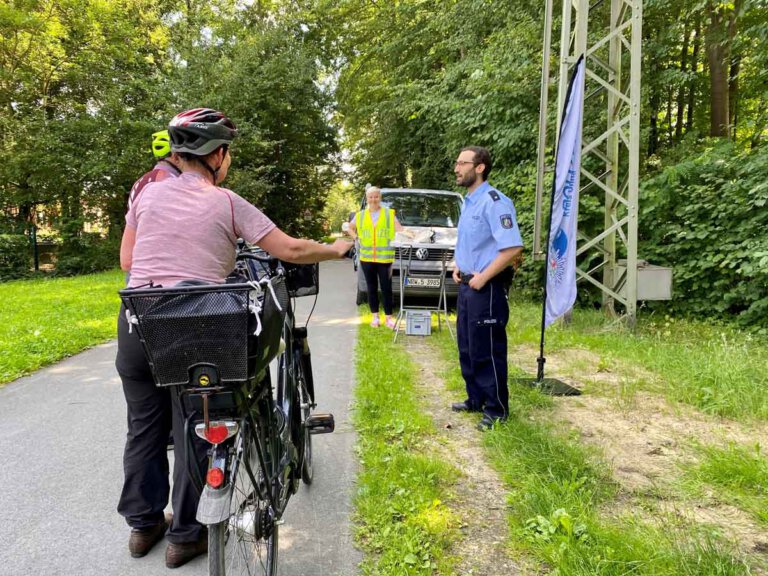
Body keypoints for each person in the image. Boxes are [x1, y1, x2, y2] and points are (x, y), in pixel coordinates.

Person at [116, 108, 351, 568]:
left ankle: (143, 527)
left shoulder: (146, 196)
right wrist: (337, 248)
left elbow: (128, 257)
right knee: (196, 426)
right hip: (193, 329)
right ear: (217, 155)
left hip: (137, 324)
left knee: (143, 427)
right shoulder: (224, 201)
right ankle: (185, 536)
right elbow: (290, 249)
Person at [451, 146, 523, 431]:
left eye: (462, 163)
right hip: (467, 285)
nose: (457, 168)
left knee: (487, 350)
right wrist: (459, 264)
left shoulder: (495, 202)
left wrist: (483, 277)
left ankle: (497, 409)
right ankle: (476, 399)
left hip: (487, 287)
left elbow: (512, 247)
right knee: (467, 347)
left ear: (479, 167)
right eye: (456, 163)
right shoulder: (469, 202)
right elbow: (473, 242)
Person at [347, 186, 403, 328]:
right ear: (367, 199)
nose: (373, 199)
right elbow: (349, 227)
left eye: (376, 196)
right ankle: (375, 317)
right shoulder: (360, 215)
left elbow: (400, 229)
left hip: (384, 259)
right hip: (367, 258)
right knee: (371, 288)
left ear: (380, 198)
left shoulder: (389, 214)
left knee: (386, 288)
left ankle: (389, 318)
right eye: (371, 197)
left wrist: (409, 234)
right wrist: (356, 238)